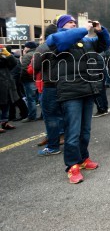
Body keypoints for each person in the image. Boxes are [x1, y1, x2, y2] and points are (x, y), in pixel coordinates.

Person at [45, 14, 110, 184]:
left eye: (74, 22)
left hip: (87, 89)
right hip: (70, 92)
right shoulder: (55, 38)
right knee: (72, 132)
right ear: (61, 25)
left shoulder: (84, 41)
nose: (73, 24)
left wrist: (101, 31)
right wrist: (83, 28)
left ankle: (83, 158)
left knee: (85, 130)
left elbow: (103, 45)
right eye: (70, 22)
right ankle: (72, 165)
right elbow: (65, 39)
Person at [32, 24, 65, 155]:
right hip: (65, 84)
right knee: (64, 114)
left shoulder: (44, 47)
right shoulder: (66, 45)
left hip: (50, 85)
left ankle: (53, 146)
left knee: (50, 116)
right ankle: (66, 139)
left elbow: (35, 66)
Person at [20, 41, 39, 123]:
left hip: (29, 80)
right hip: (39, 79)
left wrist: (22, 79)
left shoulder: (27, 56)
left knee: (30, 99)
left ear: (28, 47)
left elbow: (24, 69)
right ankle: (43, 115)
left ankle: (32, 116)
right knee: (40, 98)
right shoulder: (39, 53)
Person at [0, 45, 18, 133]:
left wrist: (8, 55)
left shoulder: (4, 56)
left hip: (7, 83)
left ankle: (4, 122)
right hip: (2, 82)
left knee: (6, 103)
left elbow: (14, 63)